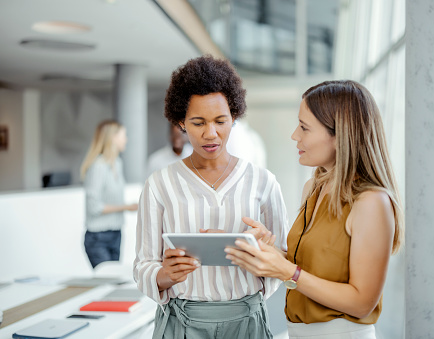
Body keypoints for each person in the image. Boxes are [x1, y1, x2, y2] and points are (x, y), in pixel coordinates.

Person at [225, 80, 404, 339]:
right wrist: (269, 252)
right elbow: (311, 269)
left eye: (304, 128)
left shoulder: (371, 201)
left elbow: (362, 302)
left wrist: (287, 271)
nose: (295, 135)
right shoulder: (314, 187)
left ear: (340, 135)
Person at [133, 55, 289, 339]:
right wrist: (165, 275)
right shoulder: (159, 184)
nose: (211, 134)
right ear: (181, 122)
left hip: (247, 322)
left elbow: (285, 259)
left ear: (234, 117)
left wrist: (262, 251)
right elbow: (143, 263)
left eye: (221, 121)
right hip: (181, 323)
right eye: (197, 122)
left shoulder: (263, 182)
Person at [80, 120, 138, 269]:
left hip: (116, 233)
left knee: (114, 283)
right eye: (123, 135)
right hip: (98, 238)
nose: (126, 139)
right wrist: (126, 207)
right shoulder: (98, 166)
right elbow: (94, 207)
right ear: (113, 138)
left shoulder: (117, 163)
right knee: (107, 281)